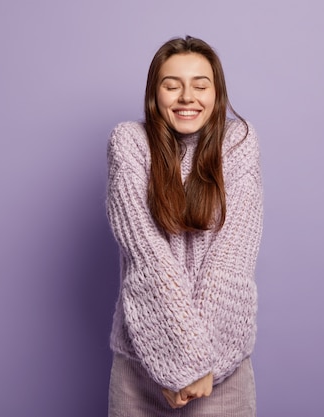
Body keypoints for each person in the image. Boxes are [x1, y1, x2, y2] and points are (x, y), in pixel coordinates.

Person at [106, 35, 263, 417]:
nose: (186, 96)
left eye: (200, 84)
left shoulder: (239, 143)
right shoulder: (129, 142)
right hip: (142, 363)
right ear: (154, 93)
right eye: (171, 84)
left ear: (216, 92)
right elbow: (148, 257)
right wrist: (174, 363)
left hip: (220, 368)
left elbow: (232, 260)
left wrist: (199, 368)